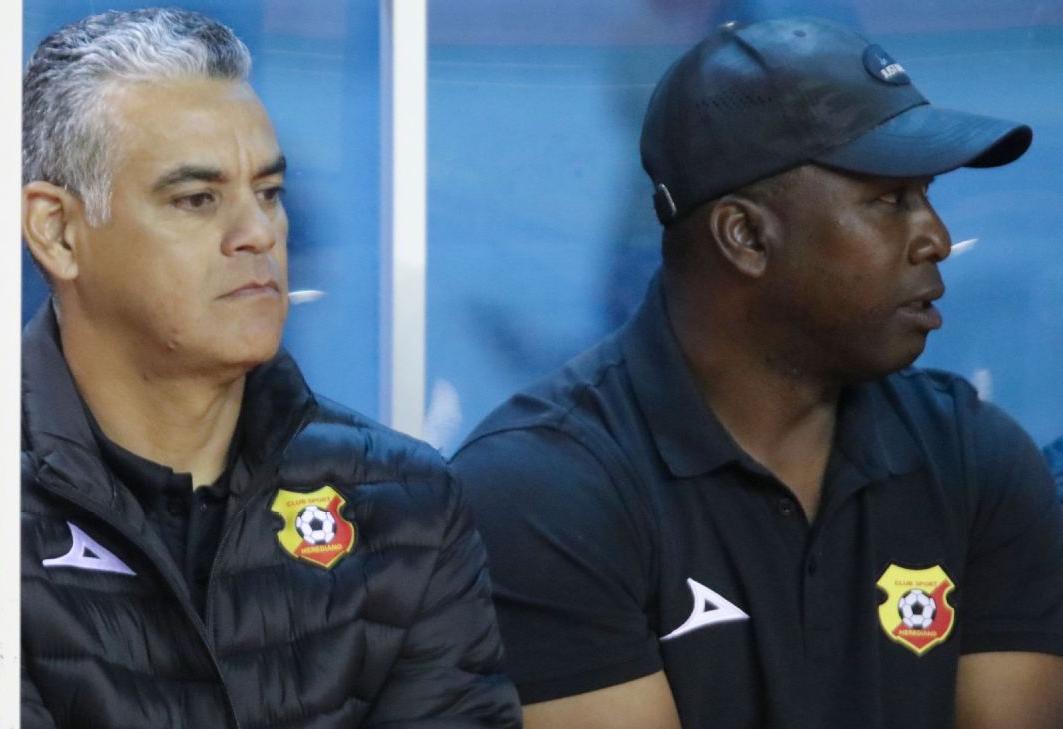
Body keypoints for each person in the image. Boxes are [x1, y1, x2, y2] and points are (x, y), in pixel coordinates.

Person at [0, 8, 520, 728]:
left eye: (268, 193)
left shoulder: (403, 501)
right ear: (57, 231)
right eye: (197, 199)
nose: (258, 233)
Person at [452, 17, 1063, 729]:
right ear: (745, 236)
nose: (936, 237)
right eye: (890, 200)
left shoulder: (976, 458)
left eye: (925, 195)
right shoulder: (540, 491)